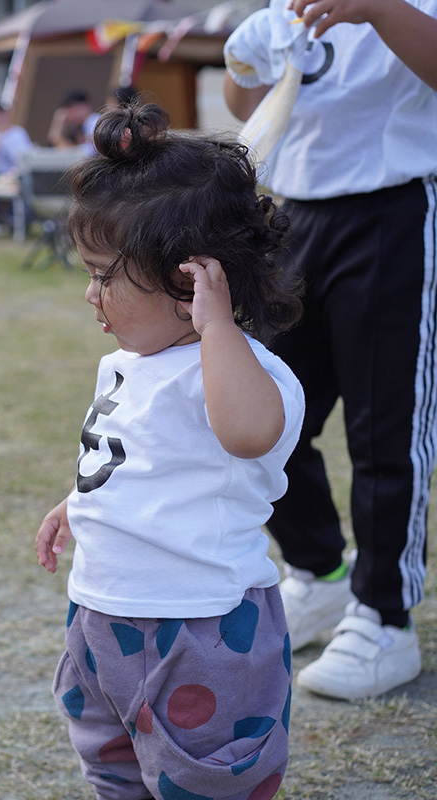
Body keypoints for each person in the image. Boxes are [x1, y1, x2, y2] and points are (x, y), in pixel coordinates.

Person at [36, 102, 305, 800]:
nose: (90, 294)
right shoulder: (127, 363)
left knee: (206, 775)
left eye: (103, 274)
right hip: (103, 616)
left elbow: (247, 434)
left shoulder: (244, 371)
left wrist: (217, 329)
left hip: (201, 628)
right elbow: (131, 457)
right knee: (113, 760)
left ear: (190, 279)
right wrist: (79, 504)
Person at [223, 0, 437, 700]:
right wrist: (239, 58)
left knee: (385, 430)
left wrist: (375, 9)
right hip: (293, 214)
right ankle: (319, 571)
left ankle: (384, 619)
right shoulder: (284, 6)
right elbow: (245, 100)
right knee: (257, 413)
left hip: (396, 207)